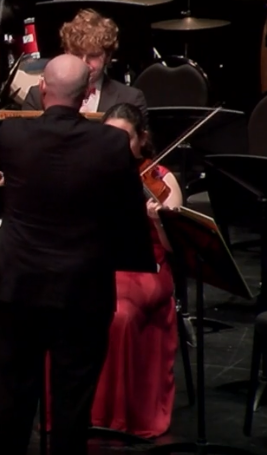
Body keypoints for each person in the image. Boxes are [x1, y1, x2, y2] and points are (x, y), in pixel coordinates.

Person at [0, 53, 155, 455]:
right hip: (83, 290)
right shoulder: (113, 143)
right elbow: (130, 215)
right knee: (72, 404)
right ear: (85, 96)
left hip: (20, 286)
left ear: (42, 89)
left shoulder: (14, 135)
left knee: (13, 400)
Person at [92, 102, 179, 437]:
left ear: (142, 139)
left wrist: (160, 224)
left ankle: (113, 416)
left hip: (147, 269)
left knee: (117, 315)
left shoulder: (160, 178)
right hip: (100, 265)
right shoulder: (92, 171)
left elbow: (176, 250)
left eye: (124, 139)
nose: (115, 147)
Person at [21, 9, 149, 119]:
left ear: (108, 57)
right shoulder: (37, 96)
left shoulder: (130, 99)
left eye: (93, 56)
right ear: (66, 52)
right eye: (77, 54)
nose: (83, 63)